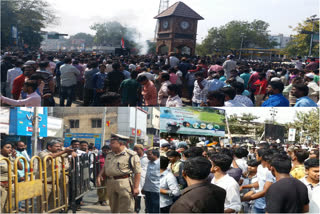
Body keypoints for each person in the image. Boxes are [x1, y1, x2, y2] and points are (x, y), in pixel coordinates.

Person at [96, 134, 141, 213]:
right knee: (113, 207)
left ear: (121, 143)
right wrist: (99, 176)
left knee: (126, 207)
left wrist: (136, 187)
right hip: (110, 182)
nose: (110, 145)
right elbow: (105, 167)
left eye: (112, 143)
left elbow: (137, 172)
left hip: (124, 182)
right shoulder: (110, 154)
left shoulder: (131, 155)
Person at [38, 140, 74, 210]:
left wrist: (71, 152)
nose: (59, 148)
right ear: (49, 147)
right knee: (42, 205)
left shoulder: (59, 153)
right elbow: (49, 157)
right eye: (57, 146)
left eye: (60, 146)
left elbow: (70, 154)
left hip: (56, 184)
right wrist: (64, 151)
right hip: (45, 184)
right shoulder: (42, 153)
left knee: (55, 205)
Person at [0, 141, 23, 213]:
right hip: (1, 186)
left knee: (10, 206)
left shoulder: (11, 157)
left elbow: (20, 167)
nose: (10, 149)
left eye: (11, 148)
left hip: (11, 184)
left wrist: (16, 157)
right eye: (7, 147)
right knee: (1, 205)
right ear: (0, 149)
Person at [133, 144, 149, 213]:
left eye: (137, 149)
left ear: (142, 149)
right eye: (134, 149)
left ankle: (147, 210)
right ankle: (137, 210)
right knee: (136, 195)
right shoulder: (133, 157)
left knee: (146, 196)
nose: (135, 151)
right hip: (136, 179)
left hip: (145, 179)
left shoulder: (147, 157)